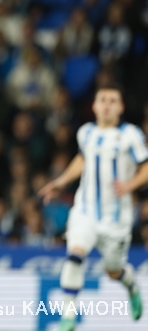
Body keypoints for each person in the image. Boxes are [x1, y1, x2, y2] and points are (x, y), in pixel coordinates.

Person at [38, 84, 146, 331]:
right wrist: (60, 182)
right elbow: (83, 159)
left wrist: (130, 185)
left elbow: (146, 167)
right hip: (85, 210)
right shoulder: (86, 132)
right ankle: (68, 318)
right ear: (95, 106)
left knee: (113, 269)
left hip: (116, 218)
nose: (107, 105)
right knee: (75, 255)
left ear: (120, 107)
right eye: (103, 100)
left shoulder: (131, 135)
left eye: (112, 100)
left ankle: (131, 285)